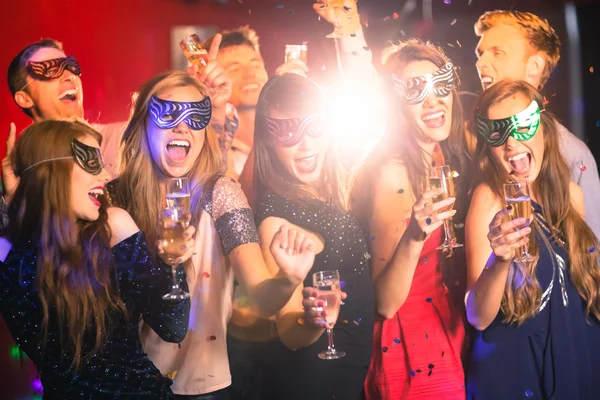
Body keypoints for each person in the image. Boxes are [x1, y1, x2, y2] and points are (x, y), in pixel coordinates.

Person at [108, 70, 316, 399]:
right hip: (121, 384)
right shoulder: (113, 199)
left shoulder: (221, 194)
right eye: (167, 112)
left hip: (203, 384)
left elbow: (262, 297)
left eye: (196, 115)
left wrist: (288, 278)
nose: (182, 125)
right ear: (143, 123)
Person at [0, 119, 192, 398]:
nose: (105, 176)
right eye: (91, 163)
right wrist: (11, 198)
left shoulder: (113, 228)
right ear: (50, 170)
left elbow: (173, 328)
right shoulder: (10, 253)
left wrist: (170, 264)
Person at [465, 79, 600, 399]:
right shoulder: (490, 198)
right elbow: (477, 317)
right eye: (497, 132)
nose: (511, 142)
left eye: (523, 124)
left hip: (577, 356)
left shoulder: (572, 196)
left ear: (543, 126)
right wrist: (499, 260)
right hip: (518, 372)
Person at [351, 40, 469, 399]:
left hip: (448, 324)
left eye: (440, 85)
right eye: (415, 91)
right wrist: (416, 234)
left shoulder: (443, 154)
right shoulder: (394, 175)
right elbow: (384, 301)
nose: (433, 101)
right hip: (413, 344)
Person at [250, 73, 374, 400]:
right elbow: (290, 334)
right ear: (267, 139)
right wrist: (313, 319)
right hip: (312, 384)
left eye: (314, 126)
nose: (306, 144)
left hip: (348, 379)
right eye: (288, 131)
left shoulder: (327, 192)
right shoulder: (276, 220)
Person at [474, 9, 600, 239]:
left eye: (497, 52)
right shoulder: (475, 140)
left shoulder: (572, 155)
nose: (481, 62)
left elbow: (592, 253)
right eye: (480, 54)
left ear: (534, 66)